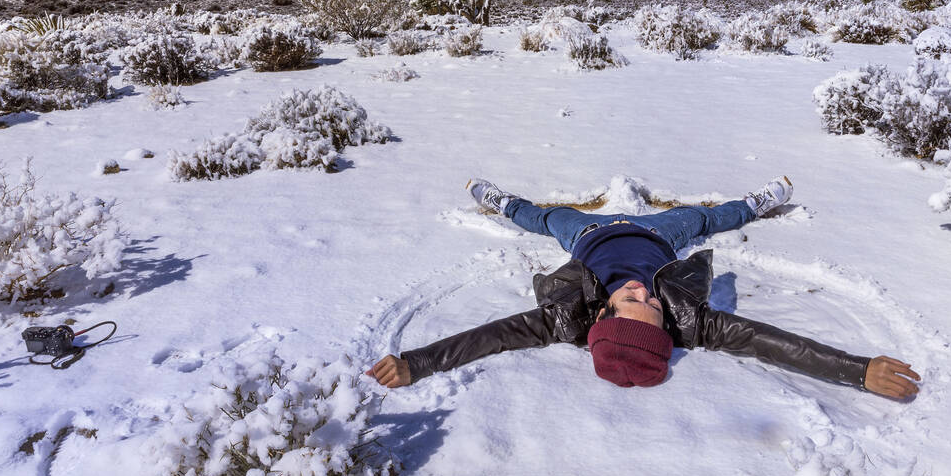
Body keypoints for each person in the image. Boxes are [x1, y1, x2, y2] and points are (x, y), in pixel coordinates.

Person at [368, 177, 921, 399]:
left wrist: (417, 362)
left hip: (590, 233)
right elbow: (767, 340)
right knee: (702, 220)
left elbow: (492, 337)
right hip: (657, 234)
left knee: (543, 217)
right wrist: (856, 370)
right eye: (653, 304)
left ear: (604, 315)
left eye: (634, 300)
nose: (645, 293)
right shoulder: (689, 320)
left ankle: (497, 198)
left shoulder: (565, 318)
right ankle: (756, 203)